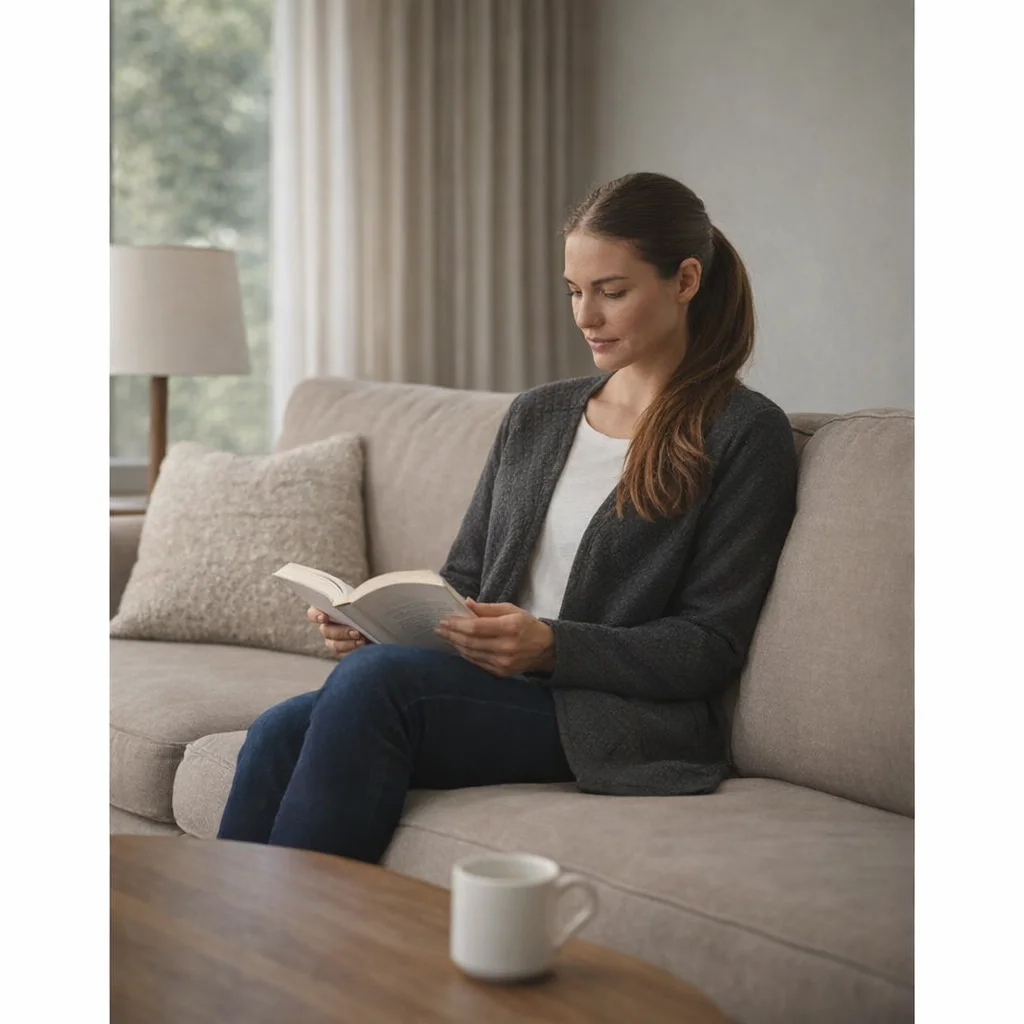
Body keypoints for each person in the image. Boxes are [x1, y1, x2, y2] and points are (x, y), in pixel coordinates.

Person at [217, 171, 798, 861]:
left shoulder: (741, 432)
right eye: (575, 292)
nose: (586, 316)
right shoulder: (539, 414)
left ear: (686, 280)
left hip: (608, 716)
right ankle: (243, 948)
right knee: (278, 729)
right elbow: (464, 576)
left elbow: (709, 646)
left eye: (612, 292)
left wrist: (551, 646)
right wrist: (381, 628)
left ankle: (312, 954)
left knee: (378, 689)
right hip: (489, 685)